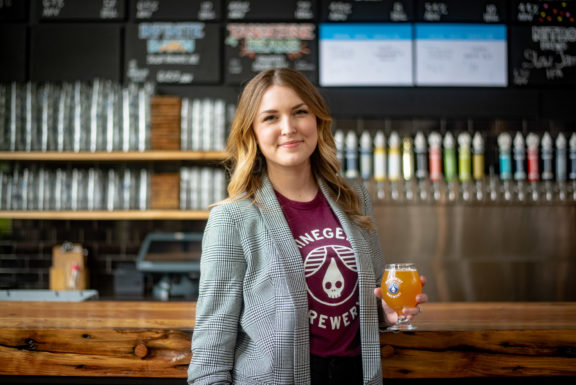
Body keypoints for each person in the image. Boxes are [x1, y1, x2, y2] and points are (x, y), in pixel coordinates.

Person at [188, 68, 427, 385]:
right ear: (253, 133)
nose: (289, 128)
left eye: (299, 112)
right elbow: (212, 346)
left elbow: (372, 299)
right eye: (270, 118)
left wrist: (388, 312)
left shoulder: (354, 199)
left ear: (317, 120)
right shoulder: (233, 218)